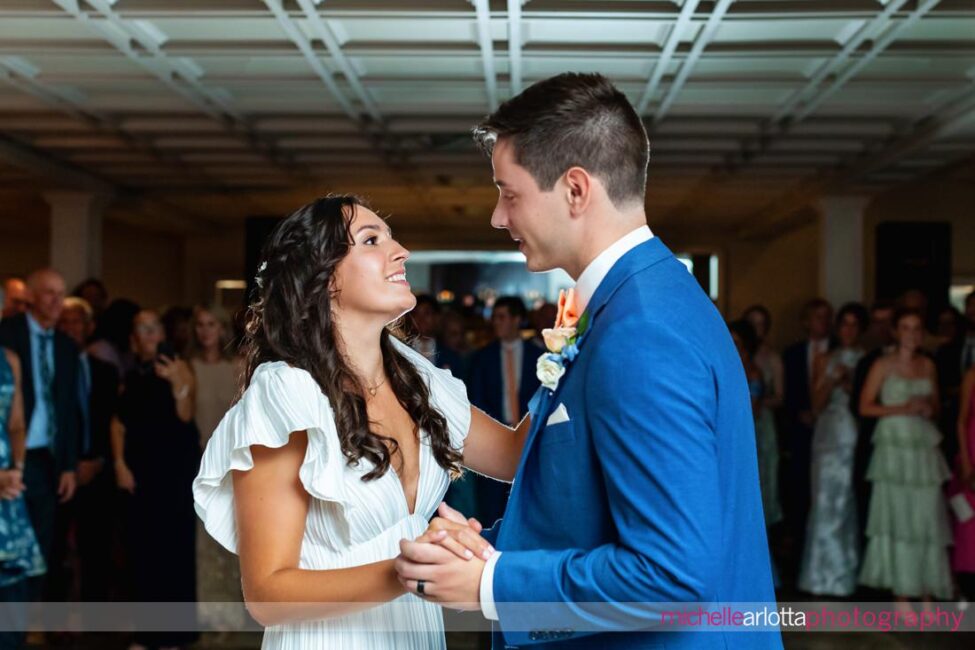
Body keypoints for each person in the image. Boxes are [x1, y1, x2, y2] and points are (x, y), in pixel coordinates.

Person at [395, 73, 780, 649]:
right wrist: (489, 548)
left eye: (510, 192)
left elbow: (671, 577)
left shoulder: (642, 330)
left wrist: (492, 582)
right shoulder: (630, 300)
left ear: (575, 189)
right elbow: (586, 500)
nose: (498, 217)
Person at [193, 196, 530, 649]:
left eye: (391, 238)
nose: (401, 251)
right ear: (325, 278)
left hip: (412, 634)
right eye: (372, 240)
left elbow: (515, 456)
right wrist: (409, 570)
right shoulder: (287, 395)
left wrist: (575, 352)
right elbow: (267, 592)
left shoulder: (417, 377)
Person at [113, 310, 200, 650]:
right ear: (134, 338)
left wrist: (177, 382)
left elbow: (186, 415)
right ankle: (145, 634)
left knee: (173, 552)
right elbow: (117, 423)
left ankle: (172, 637)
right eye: (142, 329)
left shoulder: (180, 366)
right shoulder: (131, 375)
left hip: (173, 475)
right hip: (139, 473)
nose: (149, 335)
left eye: (154, 328)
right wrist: (119, 463)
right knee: (141, 551)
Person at [858, 308, 952, 604]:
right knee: (898, 519)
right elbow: (864, 407)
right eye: (905, 327)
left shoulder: (928, 365)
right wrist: (903, 408)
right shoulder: (882, 364)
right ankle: (901, 595)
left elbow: (937, 407)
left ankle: (926, 592)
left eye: (917, 327)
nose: (911, 333)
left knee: (927, 518)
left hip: (923, 448)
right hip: (893, 449)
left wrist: (928, 409)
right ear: (896, 332)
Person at [0, 269, 79, 601]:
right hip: (10, 457)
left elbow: (71, 409)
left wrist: (69, 464)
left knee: (42, 547)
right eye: (48, 292)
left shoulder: (66, 345)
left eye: (61, 293)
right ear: (30, 296)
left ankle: (25, 624)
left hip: (48, 457)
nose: (57, 300)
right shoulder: (6, 334)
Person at [797, 303, 867, 596]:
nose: (848, 330)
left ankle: (845, 574)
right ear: (837, 329)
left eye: (854, 324)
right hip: (827, 433)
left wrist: (850, 383)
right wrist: (831, 379)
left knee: (847, 501)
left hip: (853, 432)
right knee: (823, 500)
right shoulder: (824, 358)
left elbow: (865, 403)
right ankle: (818, 575)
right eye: (844, 324)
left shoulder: (867, 359)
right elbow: (815, 405)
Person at [186, 305, 245, 636]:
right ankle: (211, 615)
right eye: (199, 325)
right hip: (198, 463)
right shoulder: (188, 368)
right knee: (205, 540)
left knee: (233, 535)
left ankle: (235, 615)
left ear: (222, 329)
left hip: (233, 460)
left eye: (211, 324)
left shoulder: (238, 367)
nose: (204, 331)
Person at [57, 298, 120, 602]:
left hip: (99, 469)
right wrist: (68, 464)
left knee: (97, 546)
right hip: (58, 471)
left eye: (76, 321)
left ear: (90, 327)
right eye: (64, 321)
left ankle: (96, 621)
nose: (70, 328)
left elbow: (115, 421)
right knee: (56, 549)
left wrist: (99, 461)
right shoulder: (49, 369)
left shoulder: (106, 371)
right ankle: (56, 624)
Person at [0, 344, 46, 650]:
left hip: (7, 488)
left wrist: (17, 468)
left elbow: (16, 425)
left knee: (12, 586)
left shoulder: (8, 358)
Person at [782, 298, 833, 559]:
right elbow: (786, 393)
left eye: (827, 317)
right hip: (801, 432)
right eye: (817, 316)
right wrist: (798, 414)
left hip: (834, 433)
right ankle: (801, 553)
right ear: (805, 321)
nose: (823, 322)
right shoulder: (792, 353)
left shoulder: (839, 351)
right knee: (800, 491)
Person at [743, 305, 784, 527]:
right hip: (742, 421)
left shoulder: (772, 357)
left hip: (762, 422)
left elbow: (780, 397)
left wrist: (756, 401)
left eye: (761, 324)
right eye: (752, 323)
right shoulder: (734, 352)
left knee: (764, 474)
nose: (757, 329)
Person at [953, 365, 975, 600]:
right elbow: (961, 420)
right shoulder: (972, 374)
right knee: (968, 521)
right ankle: (965, 588)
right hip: (972, 450)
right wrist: (967, 464)